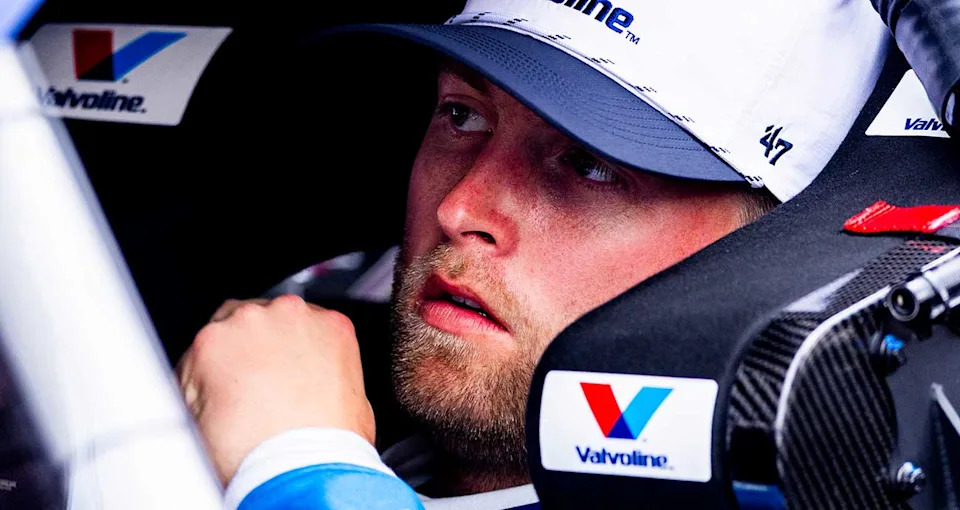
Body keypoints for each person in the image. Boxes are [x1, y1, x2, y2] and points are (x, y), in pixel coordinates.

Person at [177, 0, 891, 508]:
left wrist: (301, 468)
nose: (460, 209)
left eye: (590, 164)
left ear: (768, 252)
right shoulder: (283, 399)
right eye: (463, 115)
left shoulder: (289, 448)